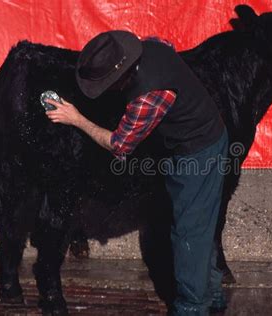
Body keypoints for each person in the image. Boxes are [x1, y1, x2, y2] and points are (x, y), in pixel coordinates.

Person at [45, 30, 228, 315]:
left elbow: (119, 145)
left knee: (188, 234)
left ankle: (192, 307)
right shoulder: (153, 45)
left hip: (198, 150)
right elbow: (169, 44)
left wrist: (77, 118)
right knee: (201, 221)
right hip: (198, 136)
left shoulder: (149, 95)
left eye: (108, 84)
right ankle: (214, 295)